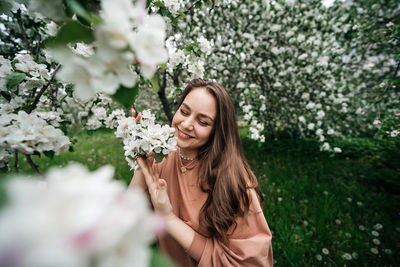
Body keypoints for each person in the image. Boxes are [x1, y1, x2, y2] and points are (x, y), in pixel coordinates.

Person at [129, 79, 273, 266]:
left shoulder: (234, 182)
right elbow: (127, 217)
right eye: (184, 111)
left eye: (203, 122)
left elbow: (248, 262)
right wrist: (141, 160)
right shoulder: (167, 159)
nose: (187, 124)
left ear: (217, 131)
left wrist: (169, 218)